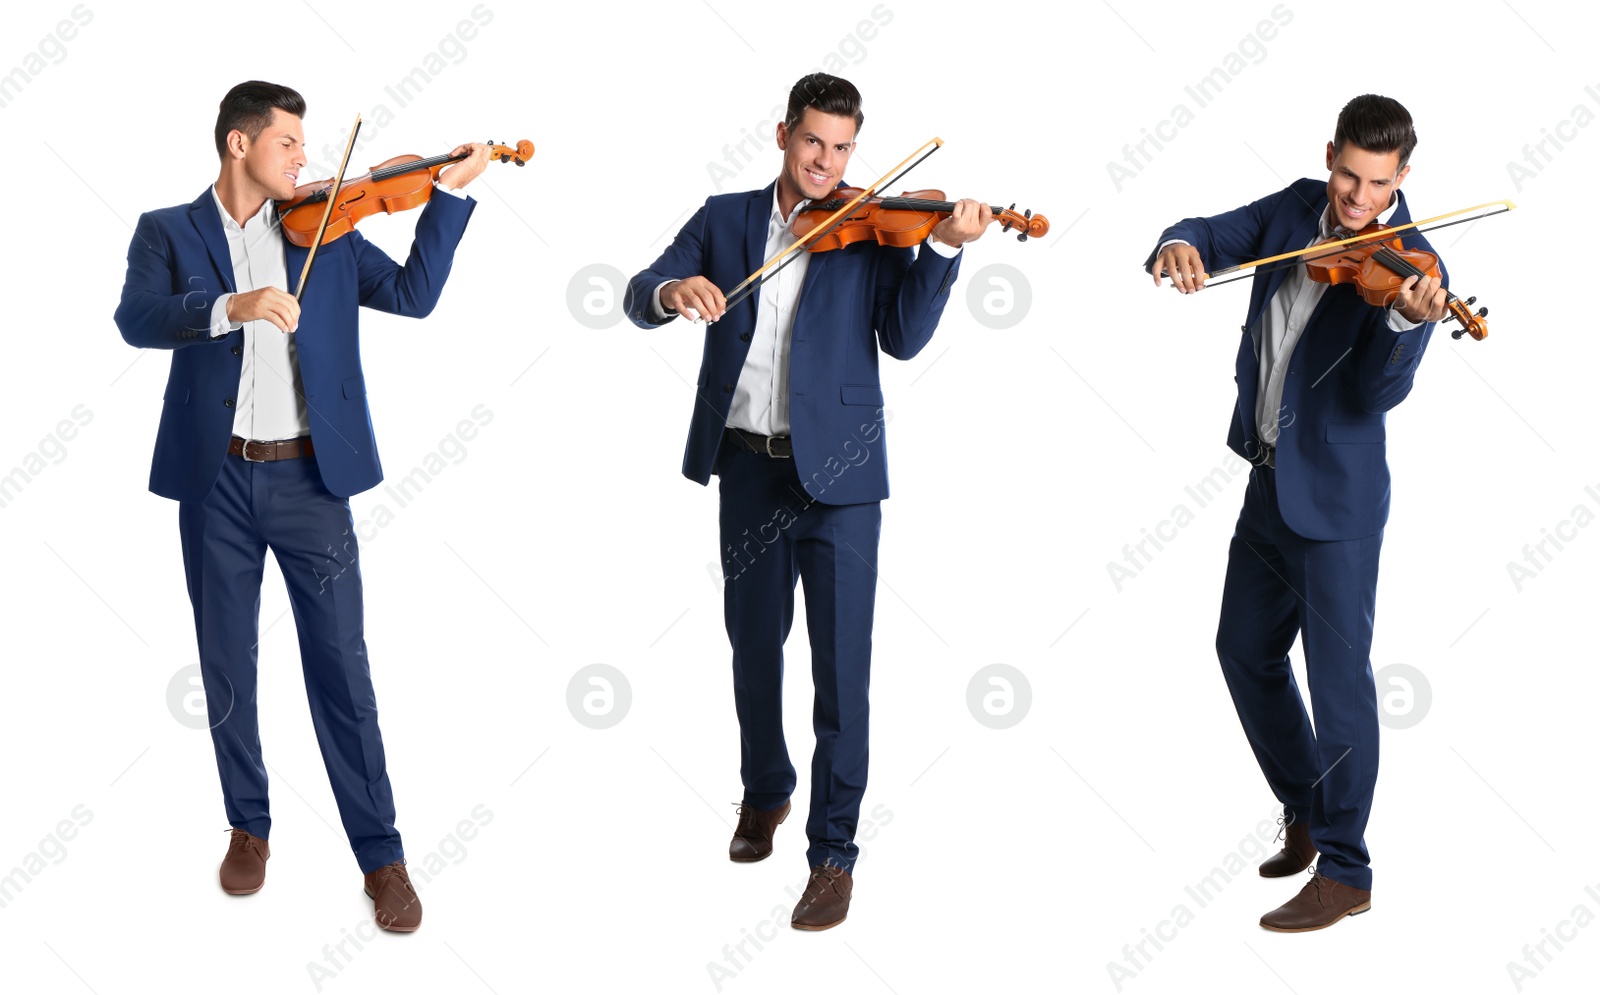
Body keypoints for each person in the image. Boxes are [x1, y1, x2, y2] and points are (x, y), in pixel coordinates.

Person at [114, 80, 489, 932]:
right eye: (288, 143)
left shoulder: (328, 228)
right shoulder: (167, 230)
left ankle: (381, 854)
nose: (305, 160)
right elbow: (134, 318)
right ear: (241, 145)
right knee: (226, 666)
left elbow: (414, 297)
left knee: (343, 671)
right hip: (214, 483)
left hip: (312, 483)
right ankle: (249, 827)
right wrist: (229, 307)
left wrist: (449, 195)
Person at [625, 72, 994, 930]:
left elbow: (902, 340)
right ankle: (765, 790)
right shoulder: (723, 218)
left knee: (842, 670)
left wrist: (943, 250)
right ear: (782, 133)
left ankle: (833, 853)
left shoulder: (875, 228)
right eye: (812, 142)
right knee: (753, 645)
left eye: (841, 147)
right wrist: (671, 293)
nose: (826, 162)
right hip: (749, 469)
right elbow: (640, 287)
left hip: (843, 483)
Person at [1144, 93, 1450, 932]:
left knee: (1340, 682)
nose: (1358, 200)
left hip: (1339, 501)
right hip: (1268, 480)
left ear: (1403, 178)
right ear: (1330, 156)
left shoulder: (1415, 267)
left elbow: (1376, 393)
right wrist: (1177, 246)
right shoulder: (1292, 208)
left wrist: (1399, 318)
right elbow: (1206, 229)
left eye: (1377, 185)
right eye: (1348, 176)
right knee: (1242, 649)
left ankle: (1348, 869)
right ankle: (1306, 807)